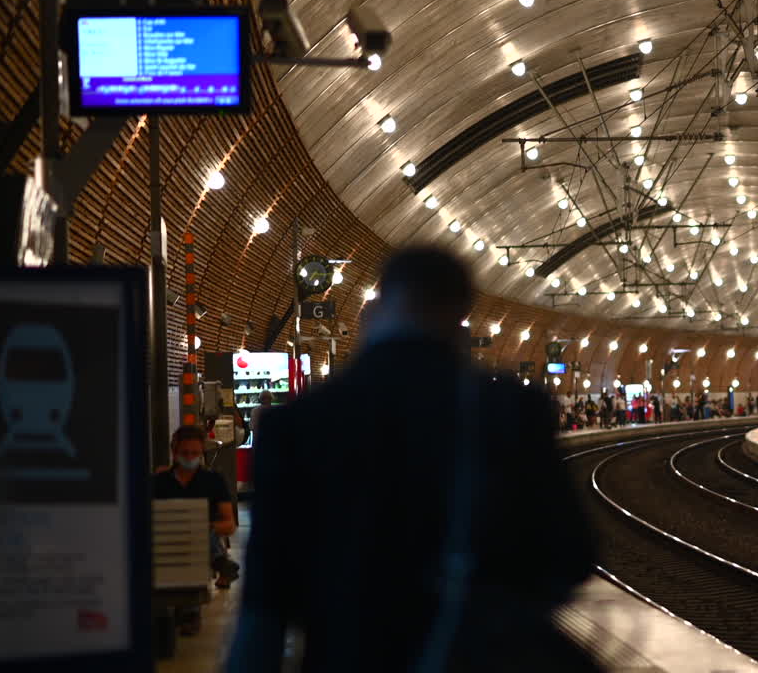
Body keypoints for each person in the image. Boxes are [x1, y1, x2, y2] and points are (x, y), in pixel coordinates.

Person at [226, 247, 596, 672]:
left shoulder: (295, 423)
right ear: (461, 310)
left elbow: (265, 603)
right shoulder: (510, 409)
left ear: (380, 304)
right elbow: (569, 555)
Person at [152, 425, 240, 633]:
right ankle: (219, 561)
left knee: (198, 526)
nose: (190, 457)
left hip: (199, 541)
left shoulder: (212, 481)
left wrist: (205, 526)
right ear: (174, 452)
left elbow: (229, 524)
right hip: (164, 539)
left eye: (195, 453)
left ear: (201, 453)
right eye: (185, 453)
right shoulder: (158, 482)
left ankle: (190, 609)